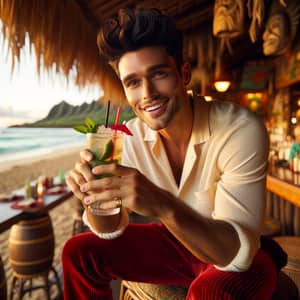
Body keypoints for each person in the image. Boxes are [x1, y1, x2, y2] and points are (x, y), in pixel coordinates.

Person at [62, 8, 285, 299]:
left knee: (211, 291)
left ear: (184, 73)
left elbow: (234, 255)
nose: (147, 93)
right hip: (176, 244)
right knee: (78, 252)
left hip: (237, 250)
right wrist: (94, 199)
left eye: (159, 74)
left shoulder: (240, 129)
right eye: (132, 82)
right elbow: (111, 228)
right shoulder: (125, 137)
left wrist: (161, 204)